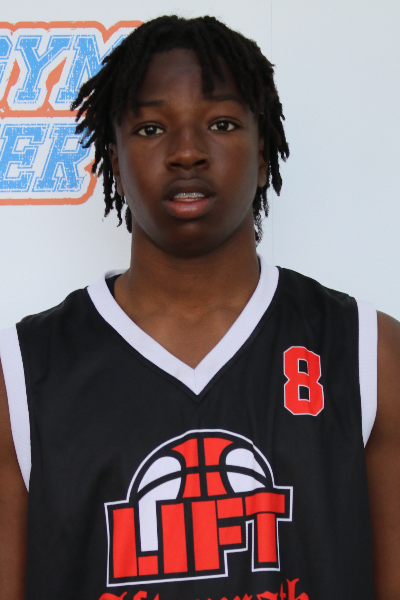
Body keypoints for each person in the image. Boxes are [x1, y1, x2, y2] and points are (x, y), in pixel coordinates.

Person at [0, 15, 399, 600]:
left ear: (263, 153)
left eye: (221, 123)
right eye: (151, 128)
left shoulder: (369, 353)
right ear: (113, 161)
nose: (187, 151)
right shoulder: (23, 373)